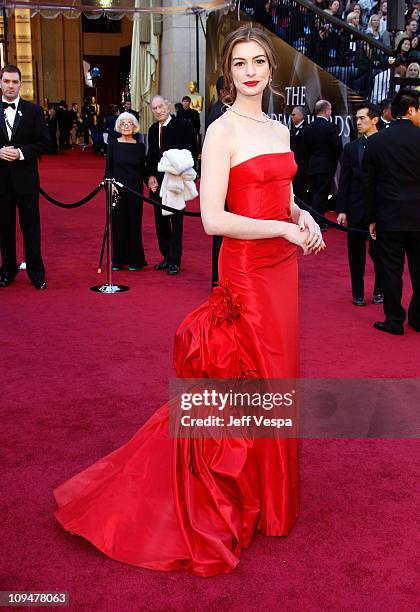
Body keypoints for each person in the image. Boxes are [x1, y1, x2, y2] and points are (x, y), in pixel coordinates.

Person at [53, 25, 324, 577]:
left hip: (282, 272)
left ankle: (271, 500)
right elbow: (212, 219)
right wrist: (280, 230)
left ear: (272, 70)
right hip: (247, 273)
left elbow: (285, 197)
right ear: (228, 72)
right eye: (240, 63)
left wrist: (303, 217)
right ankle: (236, 496)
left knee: (279, 376)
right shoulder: (221, 131)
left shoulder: (279, 129)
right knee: (246, 379)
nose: (250, 72)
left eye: (258, 62)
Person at [363, 88, 420, 334]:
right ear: (411, 109)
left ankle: (394, 320)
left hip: (388, 216)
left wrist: (372, 218)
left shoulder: (376, 142)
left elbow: (368, 185)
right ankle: (418, 318)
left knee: (391, 271)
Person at [0, 64, 50, 290]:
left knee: (31, 228)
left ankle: (36, 273)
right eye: (6, 81)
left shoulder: (34, 111)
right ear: (1, 83)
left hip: (26, 180)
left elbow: (44, 143)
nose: (11, 86)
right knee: (4, 228)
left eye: (15, 82)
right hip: (1, 181)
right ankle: (7, 270)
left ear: (21, 84)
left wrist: (20, 153)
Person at [336, 103, 383, 306]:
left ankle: (380, 290)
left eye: (362, 118)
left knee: (380, 254)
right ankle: (358, 293)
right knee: (355, 255)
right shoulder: (351, 148)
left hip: (380, 210)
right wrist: (342, 209)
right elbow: (344, 180)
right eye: (356, 119)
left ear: (375, 120)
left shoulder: (386, 144)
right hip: (355, 208)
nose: (358, 122)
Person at [146, 95, 197, 275]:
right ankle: (166, 256)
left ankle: (175, 260)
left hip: (175, 182)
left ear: (167, 107)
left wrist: (186, 177)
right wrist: (150, 176)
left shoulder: (183, 126)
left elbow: (191, 153)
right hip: (157, 184)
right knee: (160, 221)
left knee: (176, 222)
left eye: (161, 107)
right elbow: (151, 156)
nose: (158, 111)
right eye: (154, 108)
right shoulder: (152, 130)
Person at [105, 112, 147, 271]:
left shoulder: (140, 146)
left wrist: (150, 180)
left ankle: (135, 260)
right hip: (117, 190)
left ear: (135, 126)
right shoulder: (113, 144)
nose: (126, 126)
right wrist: (110, 184)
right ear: (119, 126)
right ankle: (118, 260)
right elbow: (108, 168)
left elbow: (143, 168)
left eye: (129, 123)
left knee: (134, 224)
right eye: (123, 123)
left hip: (136, 191)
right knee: (118, 224)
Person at [302, 99, 342, 229]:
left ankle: (315, 220)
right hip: (326, 167)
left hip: (312, 166)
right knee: (322, 194)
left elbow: (304, 149)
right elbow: (338, 147)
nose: (331, 112)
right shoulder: (331, 127)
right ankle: (318, 221)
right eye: (330, 110)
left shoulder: (308, 128)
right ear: (326, 111)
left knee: (314, 193)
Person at [290, 105, 307, 201]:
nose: (291, 117)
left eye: (293, 115)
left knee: (301, 189)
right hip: (293, 165)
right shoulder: (292, 130)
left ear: (300, 116)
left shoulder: (306, 130)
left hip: (302, 165)